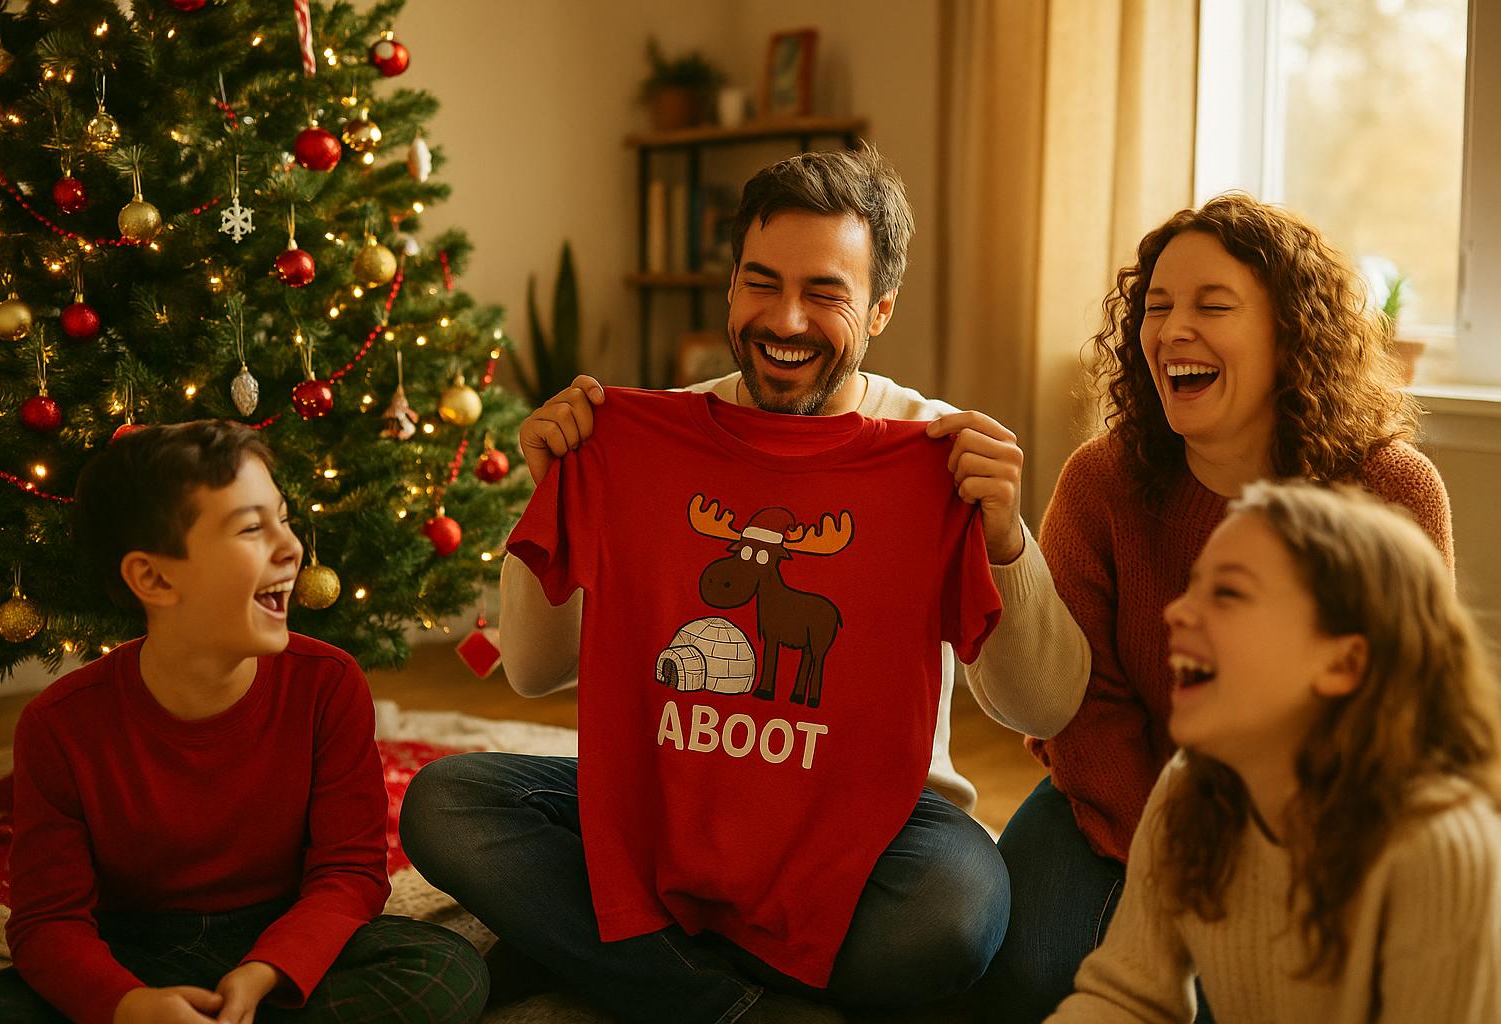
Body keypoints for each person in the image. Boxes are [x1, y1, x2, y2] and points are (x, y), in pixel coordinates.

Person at [399, 146, 1090, 1023]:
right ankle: (743, 1008)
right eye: (761, 283)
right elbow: (533, 672)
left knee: (956, 913)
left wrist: (1004, 540)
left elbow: (1048, 707)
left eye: (826, 293)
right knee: (448, 802)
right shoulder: (650, 440)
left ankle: (628, 964)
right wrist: (556, 491)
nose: (787, 319)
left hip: (871, 825)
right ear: (729, 291)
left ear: (879, 312)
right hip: (669, 803)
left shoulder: (935, 453)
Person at [976, 193, 1455, 1021]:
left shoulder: (1393, 490)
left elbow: (1401, 723)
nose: (1169, 331)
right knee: (1033, 971)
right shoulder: (1102, 481)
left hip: (1309, 830)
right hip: (1118, 809)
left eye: (1212, 305)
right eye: (1155, 308)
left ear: (1290, 331)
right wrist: (1172, 859)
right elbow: (1081, 705)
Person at [0, 421, 488, 1024]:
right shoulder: (58, 725)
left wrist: (267, 971)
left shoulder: (328, 682)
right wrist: (128, 1005)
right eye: (250, 528)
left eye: (284, 518)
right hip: (132, 951)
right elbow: (49, 923)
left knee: (447, 971)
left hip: (285, 934)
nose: (291, 547)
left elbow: (349, 873)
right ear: (154, 578)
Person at [1047, 480, 1501, 1022]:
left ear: (1343, 665)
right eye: (1194, 587)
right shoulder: (1190, 786)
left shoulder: (1438, 849)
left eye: (1230, 593)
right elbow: (1127, 996)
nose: (1176, 613)